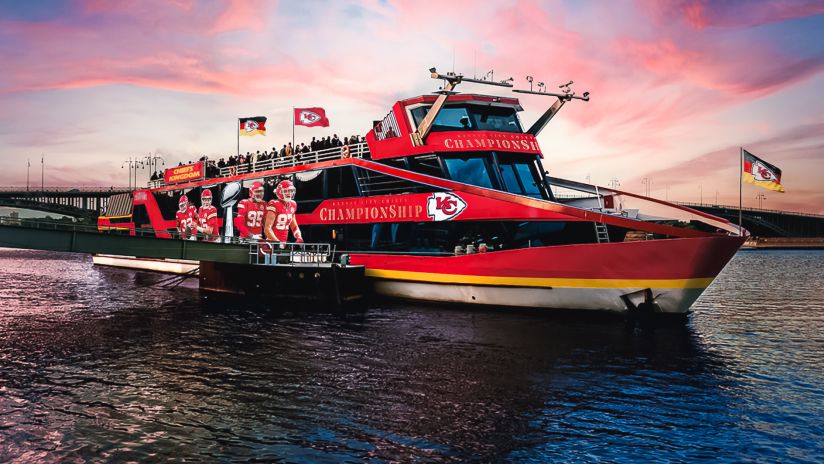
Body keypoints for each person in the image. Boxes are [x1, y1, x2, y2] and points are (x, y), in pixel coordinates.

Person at [264, 180, 302, 246]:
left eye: (291, 191)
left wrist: (299, 237)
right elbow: (267, 229)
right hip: (271, 243)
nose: (289, 193)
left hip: (283, 243)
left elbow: (294, 227)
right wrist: (277, 243)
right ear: (279, 192)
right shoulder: (274, 204)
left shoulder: (293, 204)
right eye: (286, 191)